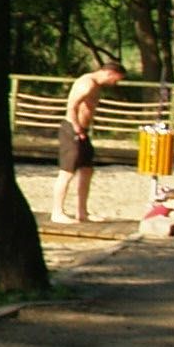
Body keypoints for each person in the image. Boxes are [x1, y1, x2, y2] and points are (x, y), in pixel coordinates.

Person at [49, 59, 126, 224]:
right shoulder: (87, 84)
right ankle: (57, 212)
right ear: (109, 73)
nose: (115, 83)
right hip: (72, 130)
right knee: (67, 171)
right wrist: (77, 128)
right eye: (116, 79)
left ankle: (82, 212)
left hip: (83, 131)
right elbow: (71, 107)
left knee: (87, 170)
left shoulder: (95, 85)